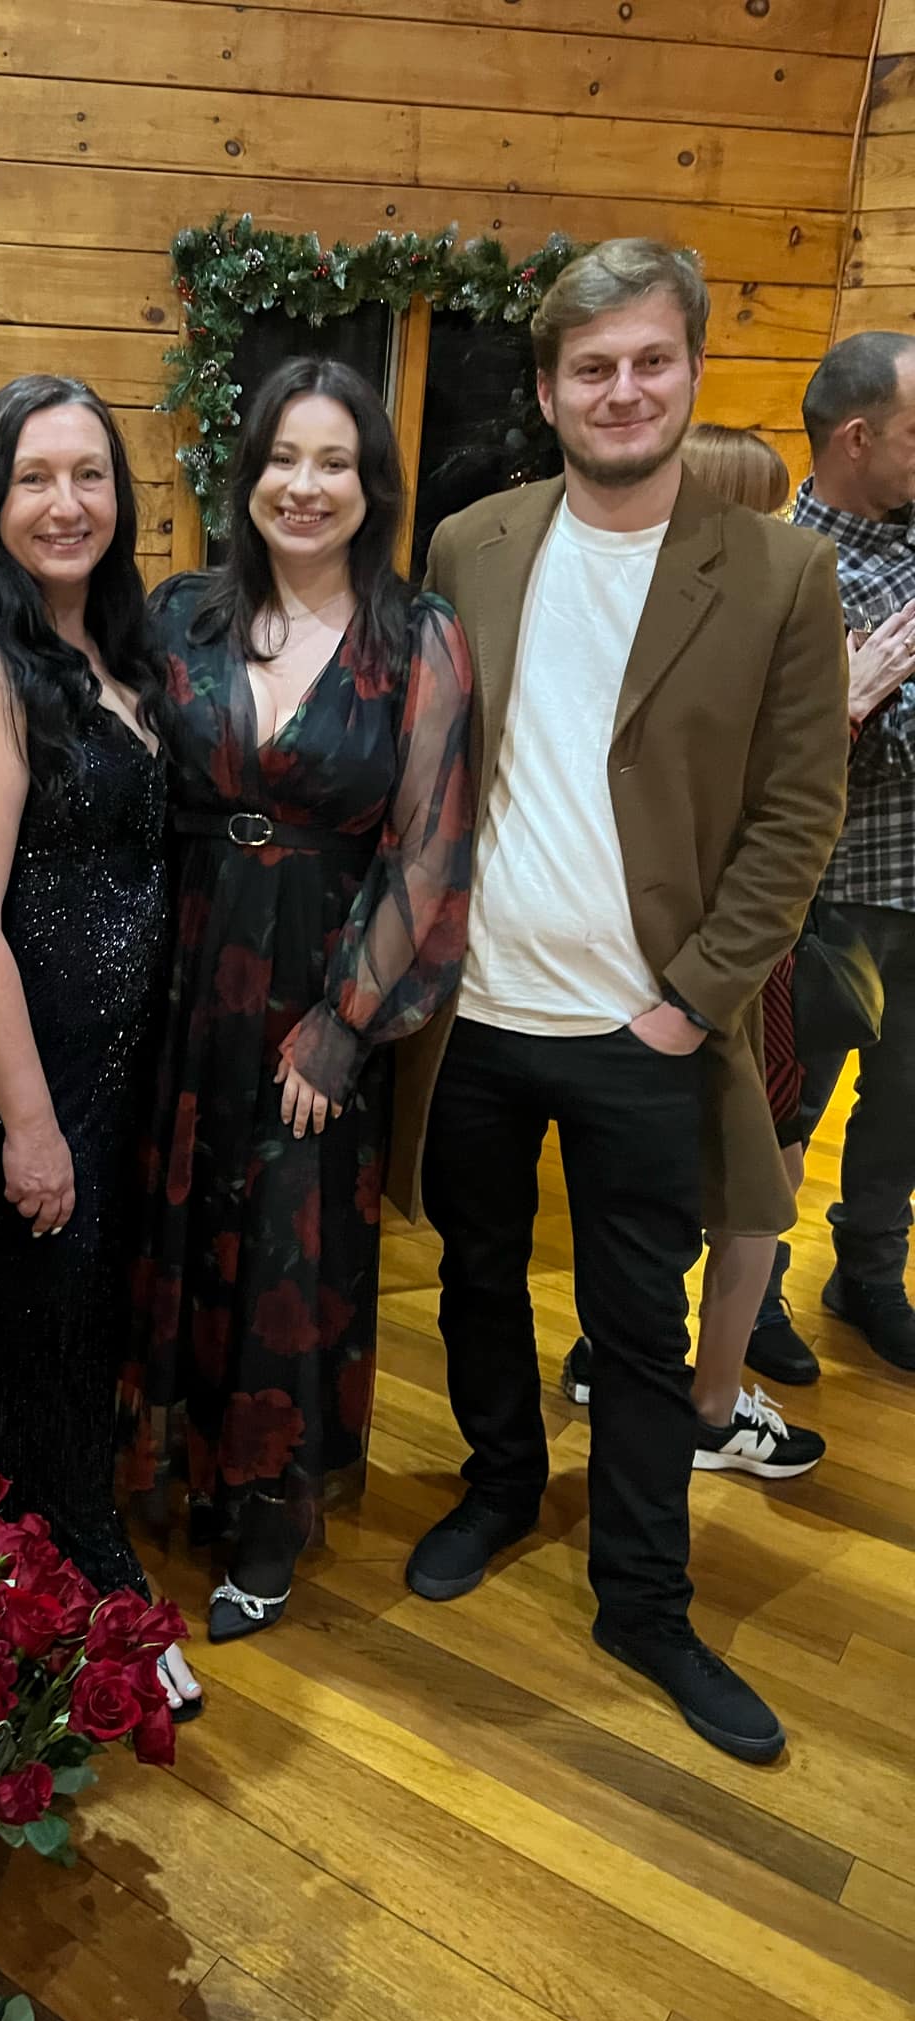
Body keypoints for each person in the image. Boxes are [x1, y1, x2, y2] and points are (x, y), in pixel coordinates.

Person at [399, 240, 847, 1764]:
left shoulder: (780, 574)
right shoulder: (471, 544)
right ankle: (500, 1486)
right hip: (476, 1019)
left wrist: (691, 1001)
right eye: (592, 367)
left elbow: (798, 813)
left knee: (639, 1329)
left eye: (651, 361)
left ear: (693, 371)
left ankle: (645, 1601)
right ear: (548, 391)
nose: (623, 390)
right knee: (472, 1275)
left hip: (643, 1030)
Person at [123, 357, 473, 1643]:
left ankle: (265, 1517)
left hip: (320, 986)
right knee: (170, 1221)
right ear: (248, 475)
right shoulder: (181, 614)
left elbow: (429, 847)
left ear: (373, 484)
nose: (305, 485)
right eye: (283, 457)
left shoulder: (418, 634)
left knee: (289, 1245)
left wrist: (342, 1025)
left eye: (335, 461)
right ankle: (167, 1472)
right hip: (180, 973)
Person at [0, 373, 201, 1717]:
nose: (66, 503)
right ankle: (81, 1599)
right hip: (20, 1081)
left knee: (72, 1335)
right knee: (34, 1343)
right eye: (34, 477)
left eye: (89, 475)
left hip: (108, 1066)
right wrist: (29, 1123)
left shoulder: (107, 639)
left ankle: (48, 1579)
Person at [561, 424, 827, 1481]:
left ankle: (631, 1361)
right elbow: (777, 797)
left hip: (719, 949)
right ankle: (708, 1403)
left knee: (708, 1178)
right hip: (731, 947)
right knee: (753, 1180)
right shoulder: (744, 607)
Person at [747, 331, 915, 1378]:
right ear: (858, 437)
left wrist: (875, 698)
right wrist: (858, 702)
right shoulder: (784, 569)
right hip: (828, 895)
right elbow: (780, 749)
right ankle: (755, 1297)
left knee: (906, 1106)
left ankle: (870, 1278)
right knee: (788, 1109)